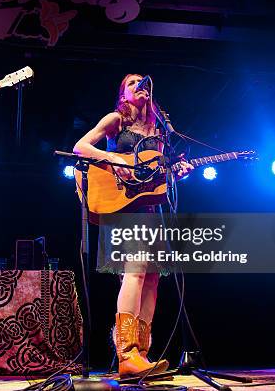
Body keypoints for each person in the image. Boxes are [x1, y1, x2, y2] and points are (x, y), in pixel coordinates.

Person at [73, 73, 193, 379]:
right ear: (123, 95)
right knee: (136, 272)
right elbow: (81, 147)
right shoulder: (117, 120)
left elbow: (154, 176)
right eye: (132, 83)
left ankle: (140, 353)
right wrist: (114, 158)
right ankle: (125, 353)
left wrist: (176, 173)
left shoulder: (159, 129)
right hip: (123, 205)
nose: (140, 86)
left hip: (151, 209)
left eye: (143, 82)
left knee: (152, 278)